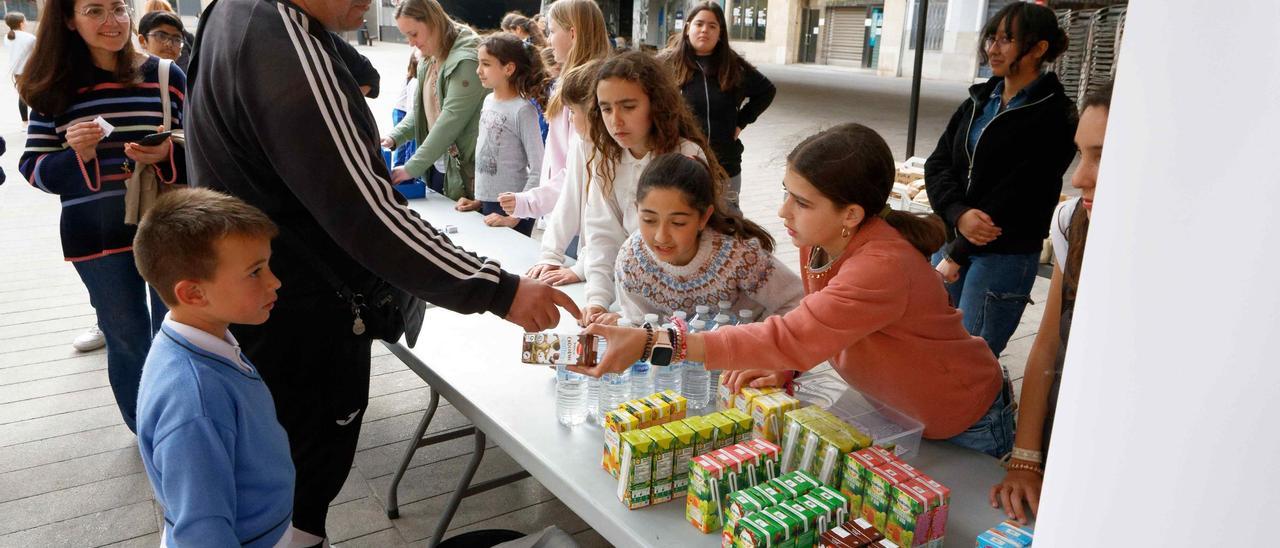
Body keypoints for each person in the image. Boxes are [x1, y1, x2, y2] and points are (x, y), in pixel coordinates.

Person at [184, 0, 577, 540]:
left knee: (279, 482)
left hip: (262, 297)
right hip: (301, 311)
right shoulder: (278, 38)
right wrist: (500, 289)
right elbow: (366, 211)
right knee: (299, 485)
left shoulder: (234, 14)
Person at [577, 124, 1013, 458]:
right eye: (787, 193)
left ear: (852, 213)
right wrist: (788, 369)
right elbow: (822, 326)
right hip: (894, 411)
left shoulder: (882, 267)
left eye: (802, 202)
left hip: (965, 419)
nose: (783, 210)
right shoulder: (818, 242)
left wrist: (656, 342)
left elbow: (791, 334)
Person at [19, 0, 184, 434]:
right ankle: (147, 429)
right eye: (94, 11)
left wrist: (169, 153)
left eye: (118, 8)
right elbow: (33, 168)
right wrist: (79, 154)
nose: (111, 22)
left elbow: (202, 146)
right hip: (96, 235)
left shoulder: (165, 75)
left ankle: (186, 422)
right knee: (127, 337)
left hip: (165, 227)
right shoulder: (53, 86)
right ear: (70, 21)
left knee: (179, 330)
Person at [133, 189, 294, 548]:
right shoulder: (196, 400)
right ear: (194, 294)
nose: (274, 281)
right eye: (255, 272)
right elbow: (201, 532)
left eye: (267, 265)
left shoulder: (201, 341)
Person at [990, 80, 1112, 524]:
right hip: (1068, 424)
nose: (1079, 177)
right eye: (1081, 153)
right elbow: (1047, 344)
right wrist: (1025, 459)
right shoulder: (1071, 220)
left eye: (1102, 155)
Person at [925, 3, 1077, 358]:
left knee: (970, 360)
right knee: (932, 349)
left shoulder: (1056, 114)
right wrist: (957, 213)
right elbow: (938, 163)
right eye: (992, 37)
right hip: (952, 238)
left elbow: (1020, 191)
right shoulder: (979, 101)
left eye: (1007, 40)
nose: (993, 48)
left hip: (1002, 254)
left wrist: (959, 251)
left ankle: (988, 415)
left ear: (1039, 48)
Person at [579, 51, 722, 325]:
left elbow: (695, 240)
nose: (615, 120)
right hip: (630, 299)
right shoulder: (606, 159)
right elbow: (601, 233)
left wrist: (631, 316)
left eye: (628, 106)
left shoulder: (686, 154)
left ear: (655, 105)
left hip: (687, 306)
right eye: (606, 108)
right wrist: (597, 299)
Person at [612, 153, 802, 323]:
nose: (661, 236)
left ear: (704, 217)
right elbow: (637, 326)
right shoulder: (631, 260)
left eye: (678, 223)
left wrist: (761, 346)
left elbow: (796, 302)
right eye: (649, 220)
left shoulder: (739, 256)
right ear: (636, 209)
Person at [498, 0, 611, 222]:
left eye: (551, 31)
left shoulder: (586, 89)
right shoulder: (573, 82)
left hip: (577, 218)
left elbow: (579, 168)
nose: (548, 40)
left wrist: (530, 202)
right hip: (567, 212)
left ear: (573, 33)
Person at [659, 2, 775, 211]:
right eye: (699, 24)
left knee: (728, 219)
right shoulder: (666, 64)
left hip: (725, 164)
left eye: (712, 26)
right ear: (687, 28)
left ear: (720, 33)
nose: (705, 30)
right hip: (680, 163)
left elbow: (767, 91)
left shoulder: (733, 66)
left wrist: (741, 122)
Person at [382, 0, 485, 209]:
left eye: (414, 34)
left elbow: (449, 120)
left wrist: (411, 167)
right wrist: (394, 138)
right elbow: (422, 109)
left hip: (468, 173)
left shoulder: (466, 60)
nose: (410, 43)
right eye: (406, 36)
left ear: (433, 22)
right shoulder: (431, 54)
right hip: (438, 165)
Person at [527, 60, 602, 286]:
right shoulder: (582, 142)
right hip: (596, 266)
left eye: (572, 112)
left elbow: (610, 223)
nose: (569, 119)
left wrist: (581, 268)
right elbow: (569, 199)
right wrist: (551, 254)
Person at [474, 32, 546, 236]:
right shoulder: (488, 100)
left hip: (512, 212)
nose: (478, 70)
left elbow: (538, 168)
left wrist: (515, 216)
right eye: (478, 63)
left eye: (486, 64)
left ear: (509, 68)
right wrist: (479, 200)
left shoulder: (523, 110)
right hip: (488, 205)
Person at [391, 51, 421, 179]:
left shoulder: (412, 79)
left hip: (404, 111)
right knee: (406, 145)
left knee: (405, 146)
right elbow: (413, 108)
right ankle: (403, 175)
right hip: (404, 111)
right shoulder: (415, 81)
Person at [140, 0, 192, 69]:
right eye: (161, 36)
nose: (169, 44)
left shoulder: (179, 75)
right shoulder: (133, 76)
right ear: (142, 41)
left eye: (176, 39)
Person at [4, 12, 34, 124]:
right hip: (30, 71)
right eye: (25, 20)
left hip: (17, 72)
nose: (26, 22)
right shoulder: (30, 38)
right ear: (21, 23)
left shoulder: (7, 37)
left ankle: (24, 122)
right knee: (36, 94)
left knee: (23, 96)